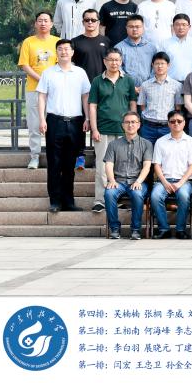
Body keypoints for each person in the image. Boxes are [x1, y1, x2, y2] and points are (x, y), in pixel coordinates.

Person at [36, 39, 90, 212]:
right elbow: (42, 97)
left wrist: (88, 118)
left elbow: (85, 97)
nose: (64, 52)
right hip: (54, 121)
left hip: (75, 122)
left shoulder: (80, 73)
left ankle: (68, 201)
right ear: (56, 52)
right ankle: (55, 201)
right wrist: (42, 119)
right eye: (60, 49)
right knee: (54, 163)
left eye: (67, 49)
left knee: (69, 164)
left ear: (72, 52)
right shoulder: (48, 73)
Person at [89, 48, 138, 213]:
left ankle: (119, 199)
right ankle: (100, 200)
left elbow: (132, 104)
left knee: (123, 166)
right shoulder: (97, 81)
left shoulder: (128, 80)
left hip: (124, 131)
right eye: (111, 60)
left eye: (117, 60)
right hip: (103, 130)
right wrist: (94, 129)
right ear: (105, 61)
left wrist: (133, 126)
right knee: (102, 166)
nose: (114, 63)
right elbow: (93, 106)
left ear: (121, 61)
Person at [102, 112, 152, 239]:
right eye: (127, 122)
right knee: (109, 193)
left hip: (138, 181)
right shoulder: (113, 144)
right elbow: (108, 164)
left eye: (133, 122)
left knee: (137, 194)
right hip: (118, 181)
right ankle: (114, 228)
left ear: (139, 125)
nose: (130, 125)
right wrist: (111, 180)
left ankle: (136, 229)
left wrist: (139, 181)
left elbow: (147, 166)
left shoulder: (146, 144)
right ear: (122, 125)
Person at [18, 11, 58, 169]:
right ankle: (34, 156)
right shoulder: (28, 42)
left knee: (53, 125)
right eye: (40, 20)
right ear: (35, 23)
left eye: (46, 20)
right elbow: (24, 64)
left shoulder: (57, 41)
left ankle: (53, 156)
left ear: (51, 24)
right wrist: (41, 79)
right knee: (34, 124)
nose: (43, 23)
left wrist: (50, 81)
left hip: (54, 90)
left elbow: (61, 63)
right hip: (33, 88)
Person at [148, 111, 192, 239]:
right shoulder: (160, 142)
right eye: (172, 121)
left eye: (179, 121)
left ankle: (181, 229)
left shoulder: (191, 142)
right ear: (168, 124)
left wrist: (180, 183)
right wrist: (165, 182)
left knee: (184, 196)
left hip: (185, 181)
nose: (176, 123)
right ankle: (164, 229)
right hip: (164, 180)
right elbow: (156, 165)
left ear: (184, 123)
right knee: (155, 196)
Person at [137, 53, 183, 145]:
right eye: (157, 63)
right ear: (152, 65)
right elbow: (142, 105)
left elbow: (178, 107)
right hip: (148, 127)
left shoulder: (177, 85)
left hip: (167, 127)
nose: (160, 66)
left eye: (162, 63)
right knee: (147, 152)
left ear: (168, 65)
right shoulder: (145, 85)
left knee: (167, 152)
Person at [158, 13, 192, 83]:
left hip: (191, 83)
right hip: (170, 83)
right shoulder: (164, 44)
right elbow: (160, 64)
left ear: (189, 27)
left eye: (184, 24)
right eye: (177, 24)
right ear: (173, 26)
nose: (181, 27)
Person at [115, 15, 155, 89]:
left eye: (138, 27)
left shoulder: (152, 48)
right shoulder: (119, 48)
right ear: (126, 28)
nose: (134, 29)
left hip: (149, 88)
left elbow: (155, 67)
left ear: (143, 28)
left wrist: (148, 85)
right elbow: (117, 68)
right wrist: (130, 86)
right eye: (131, 27)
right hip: (126, 89)